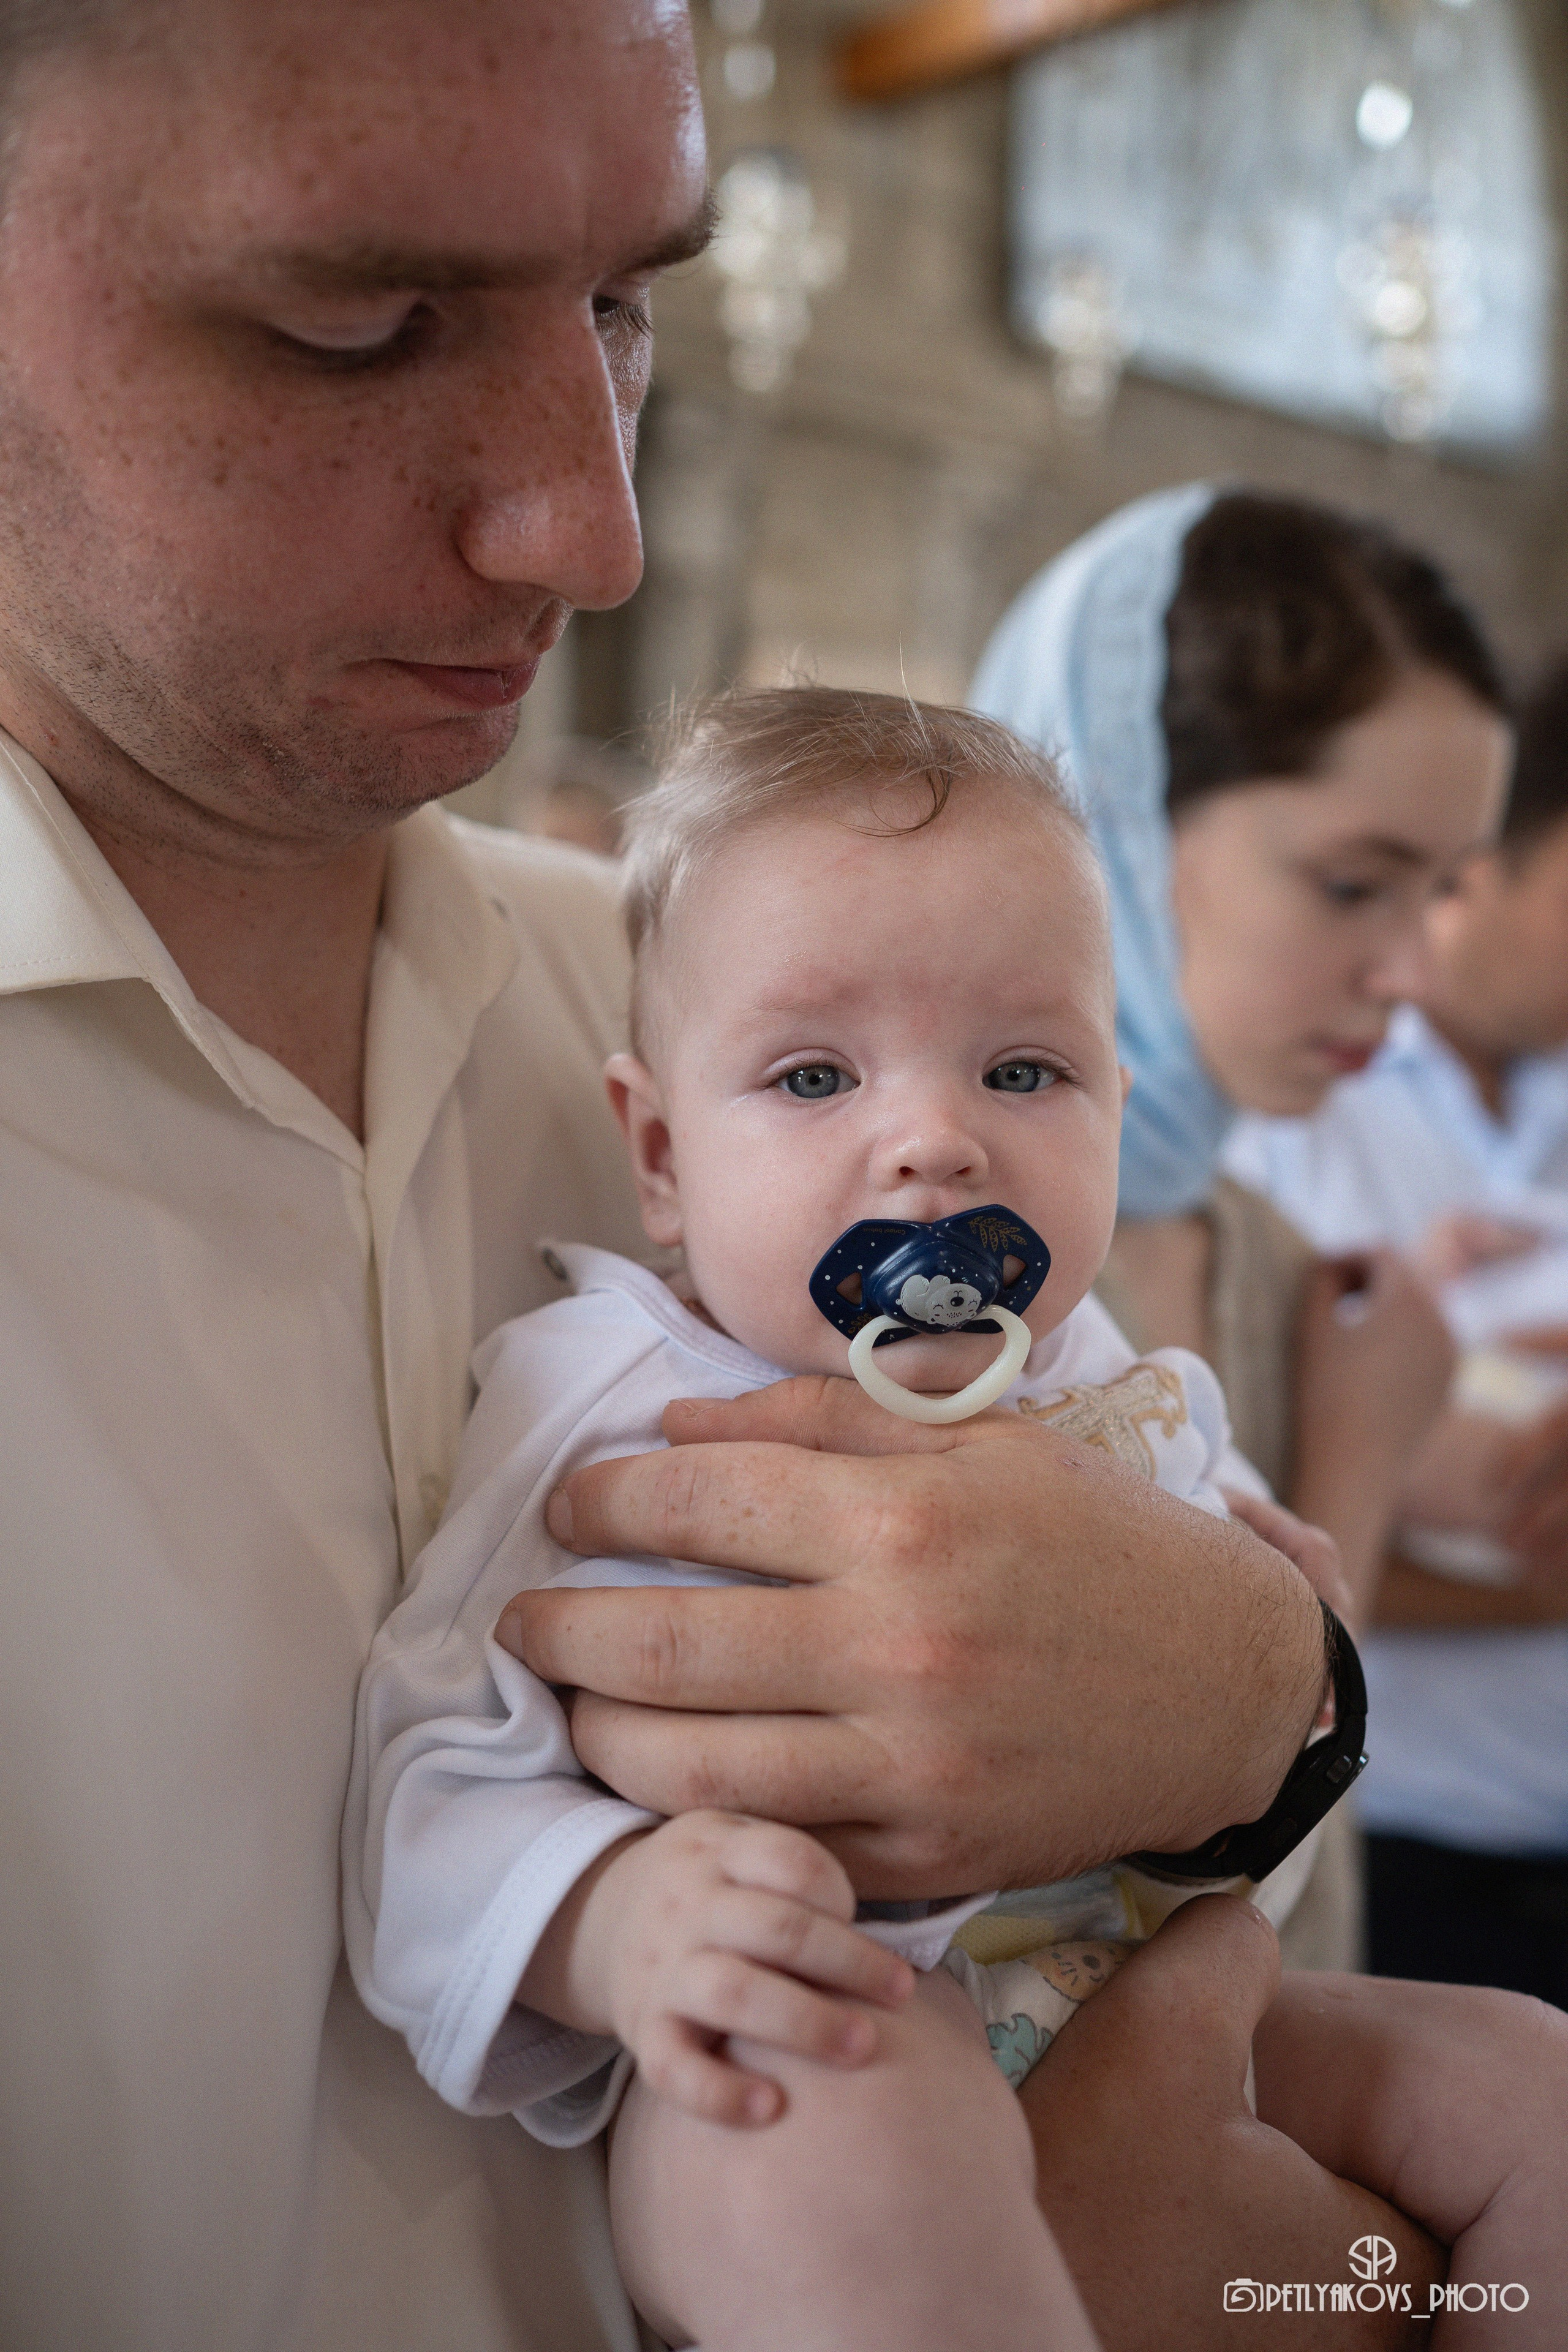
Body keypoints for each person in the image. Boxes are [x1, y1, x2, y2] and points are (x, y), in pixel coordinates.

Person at [0, 11, 1382, 2351]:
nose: (594, 525)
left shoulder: (707, 1009)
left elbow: (1216, 1633)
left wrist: (1274, 1698)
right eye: (359, 321)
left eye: (629, 304)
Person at [349, 687, 1566, 2352]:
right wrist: (618, 1921)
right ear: (659, 1154)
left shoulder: (1097, 1357)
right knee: (847, 2153)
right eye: (811, 1074)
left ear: (1117, 1110)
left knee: (1532, 2082)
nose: (933, 1139)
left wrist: (1271, 1589)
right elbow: (426, 1779)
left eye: (1022, 1067)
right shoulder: (606, 1394)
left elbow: (1244, 1592)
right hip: (821, 2018)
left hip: (1135, 1996)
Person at [971, 484, 1510, 1978]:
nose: (1408, 969)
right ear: (1113, 824)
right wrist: (1358, 1468)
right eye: (1351, 883)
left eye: (1439, 892)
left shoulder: (1258, 1247)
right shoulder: (919, 1254)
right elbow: (1107, 1850)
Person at [1226, 657, 1568, 2005]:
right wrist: (1537, 1586)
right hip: (1405, 1844)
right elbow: (1244, 1505)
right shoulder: (1285, 1104)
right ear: (1486, 859)